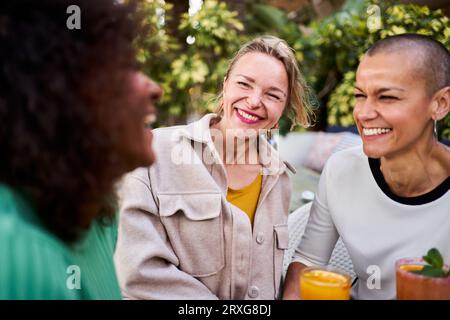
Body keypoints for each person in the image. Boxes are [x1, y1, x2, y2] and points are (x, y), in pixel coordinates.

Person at [114, 35, 313, 300]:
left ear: (282, 109)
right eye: (244, 84)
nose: (254, 101)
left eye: (272, 95)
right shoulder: (153, 152)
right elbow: (138, 273)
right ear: (225, 86)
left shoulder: (279, 178)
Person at [0, 0, 162, 299]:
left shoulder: (98, 218)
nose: (155, 89)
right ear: (65, 92)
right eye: (125, 67)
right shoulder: (15, 253)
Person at [283, 34, 450, 300]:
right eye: (360, 95)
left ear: (440, 104)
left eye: (387, 97)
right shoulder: (341, 169)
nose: (363, 113)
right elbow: (309, 260)